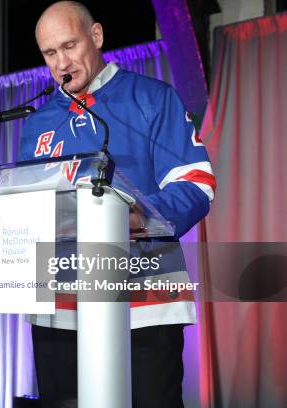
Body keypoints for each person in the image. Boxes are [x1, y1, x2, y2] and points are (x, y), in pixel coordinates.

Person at [18, 2, 216, 407]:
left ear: (96, 37)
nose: (61, 62)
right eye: (50, 53)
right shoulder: (37, 122)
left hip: (144, 297)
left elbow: (196, 182)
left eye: (69, 46)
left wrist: (138, 217)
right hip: (59, 302)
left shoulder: (151, 97)